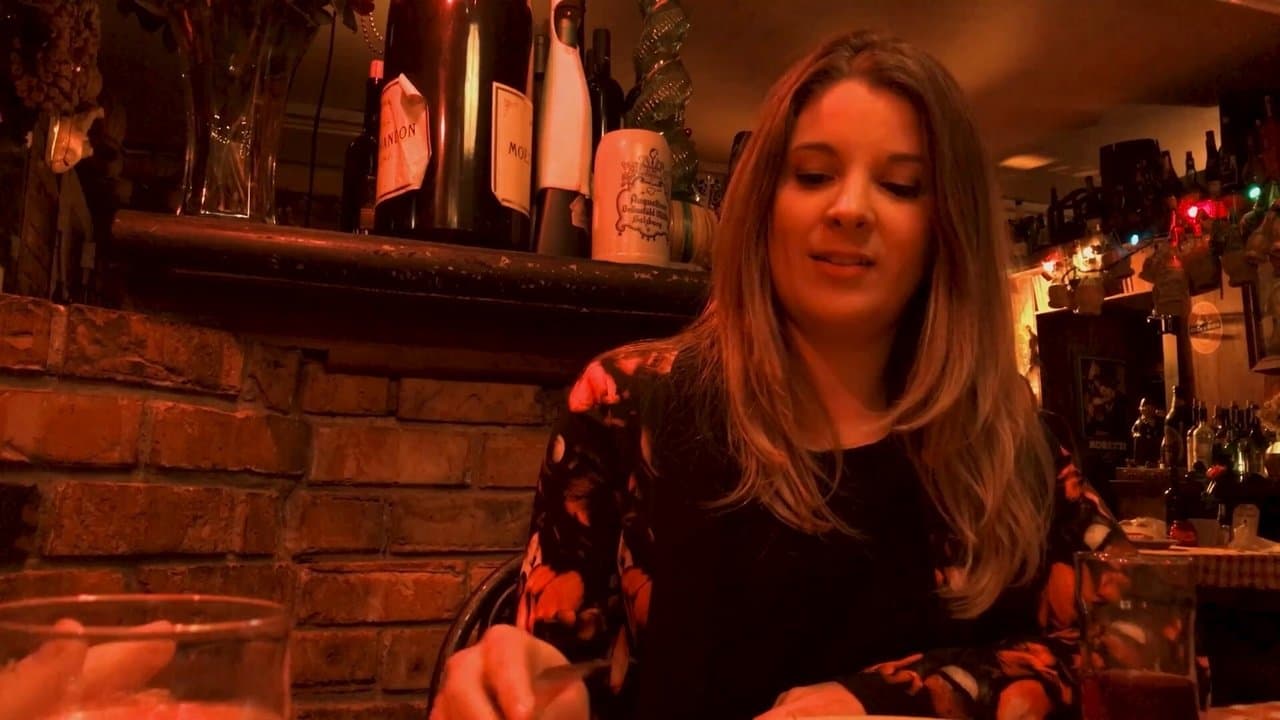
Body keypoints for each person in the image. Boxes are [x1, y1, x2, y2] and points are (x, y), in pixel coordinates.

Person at [430, 29, 1130, 720]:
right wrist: (508, 691)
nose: (849, 209)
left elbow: (1142, 647)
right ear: (764, 204)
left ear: (948, 227)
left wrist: (904, 698)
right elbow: (559, 675)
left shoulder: (1012, 443)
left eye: (899, 185)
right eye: (814, 175)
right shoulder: (625, 406)